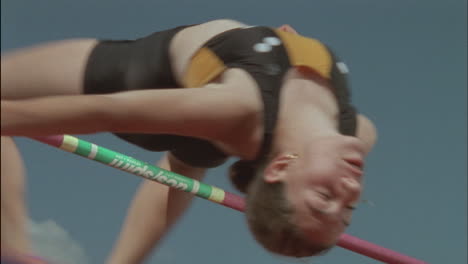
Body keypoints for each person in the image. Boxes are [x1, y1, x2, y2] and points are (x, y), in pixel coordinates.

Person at [1, 19, 377, 263]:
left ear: (281, 166)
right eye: (346, 210)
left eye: (325, 198)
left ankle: (15, 249)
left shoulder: (237, 109)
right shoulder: (358, 132)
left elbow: (105, 111)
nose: (348, 190)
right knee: (188, 163)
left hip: (138, 82)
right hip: (208, 121)